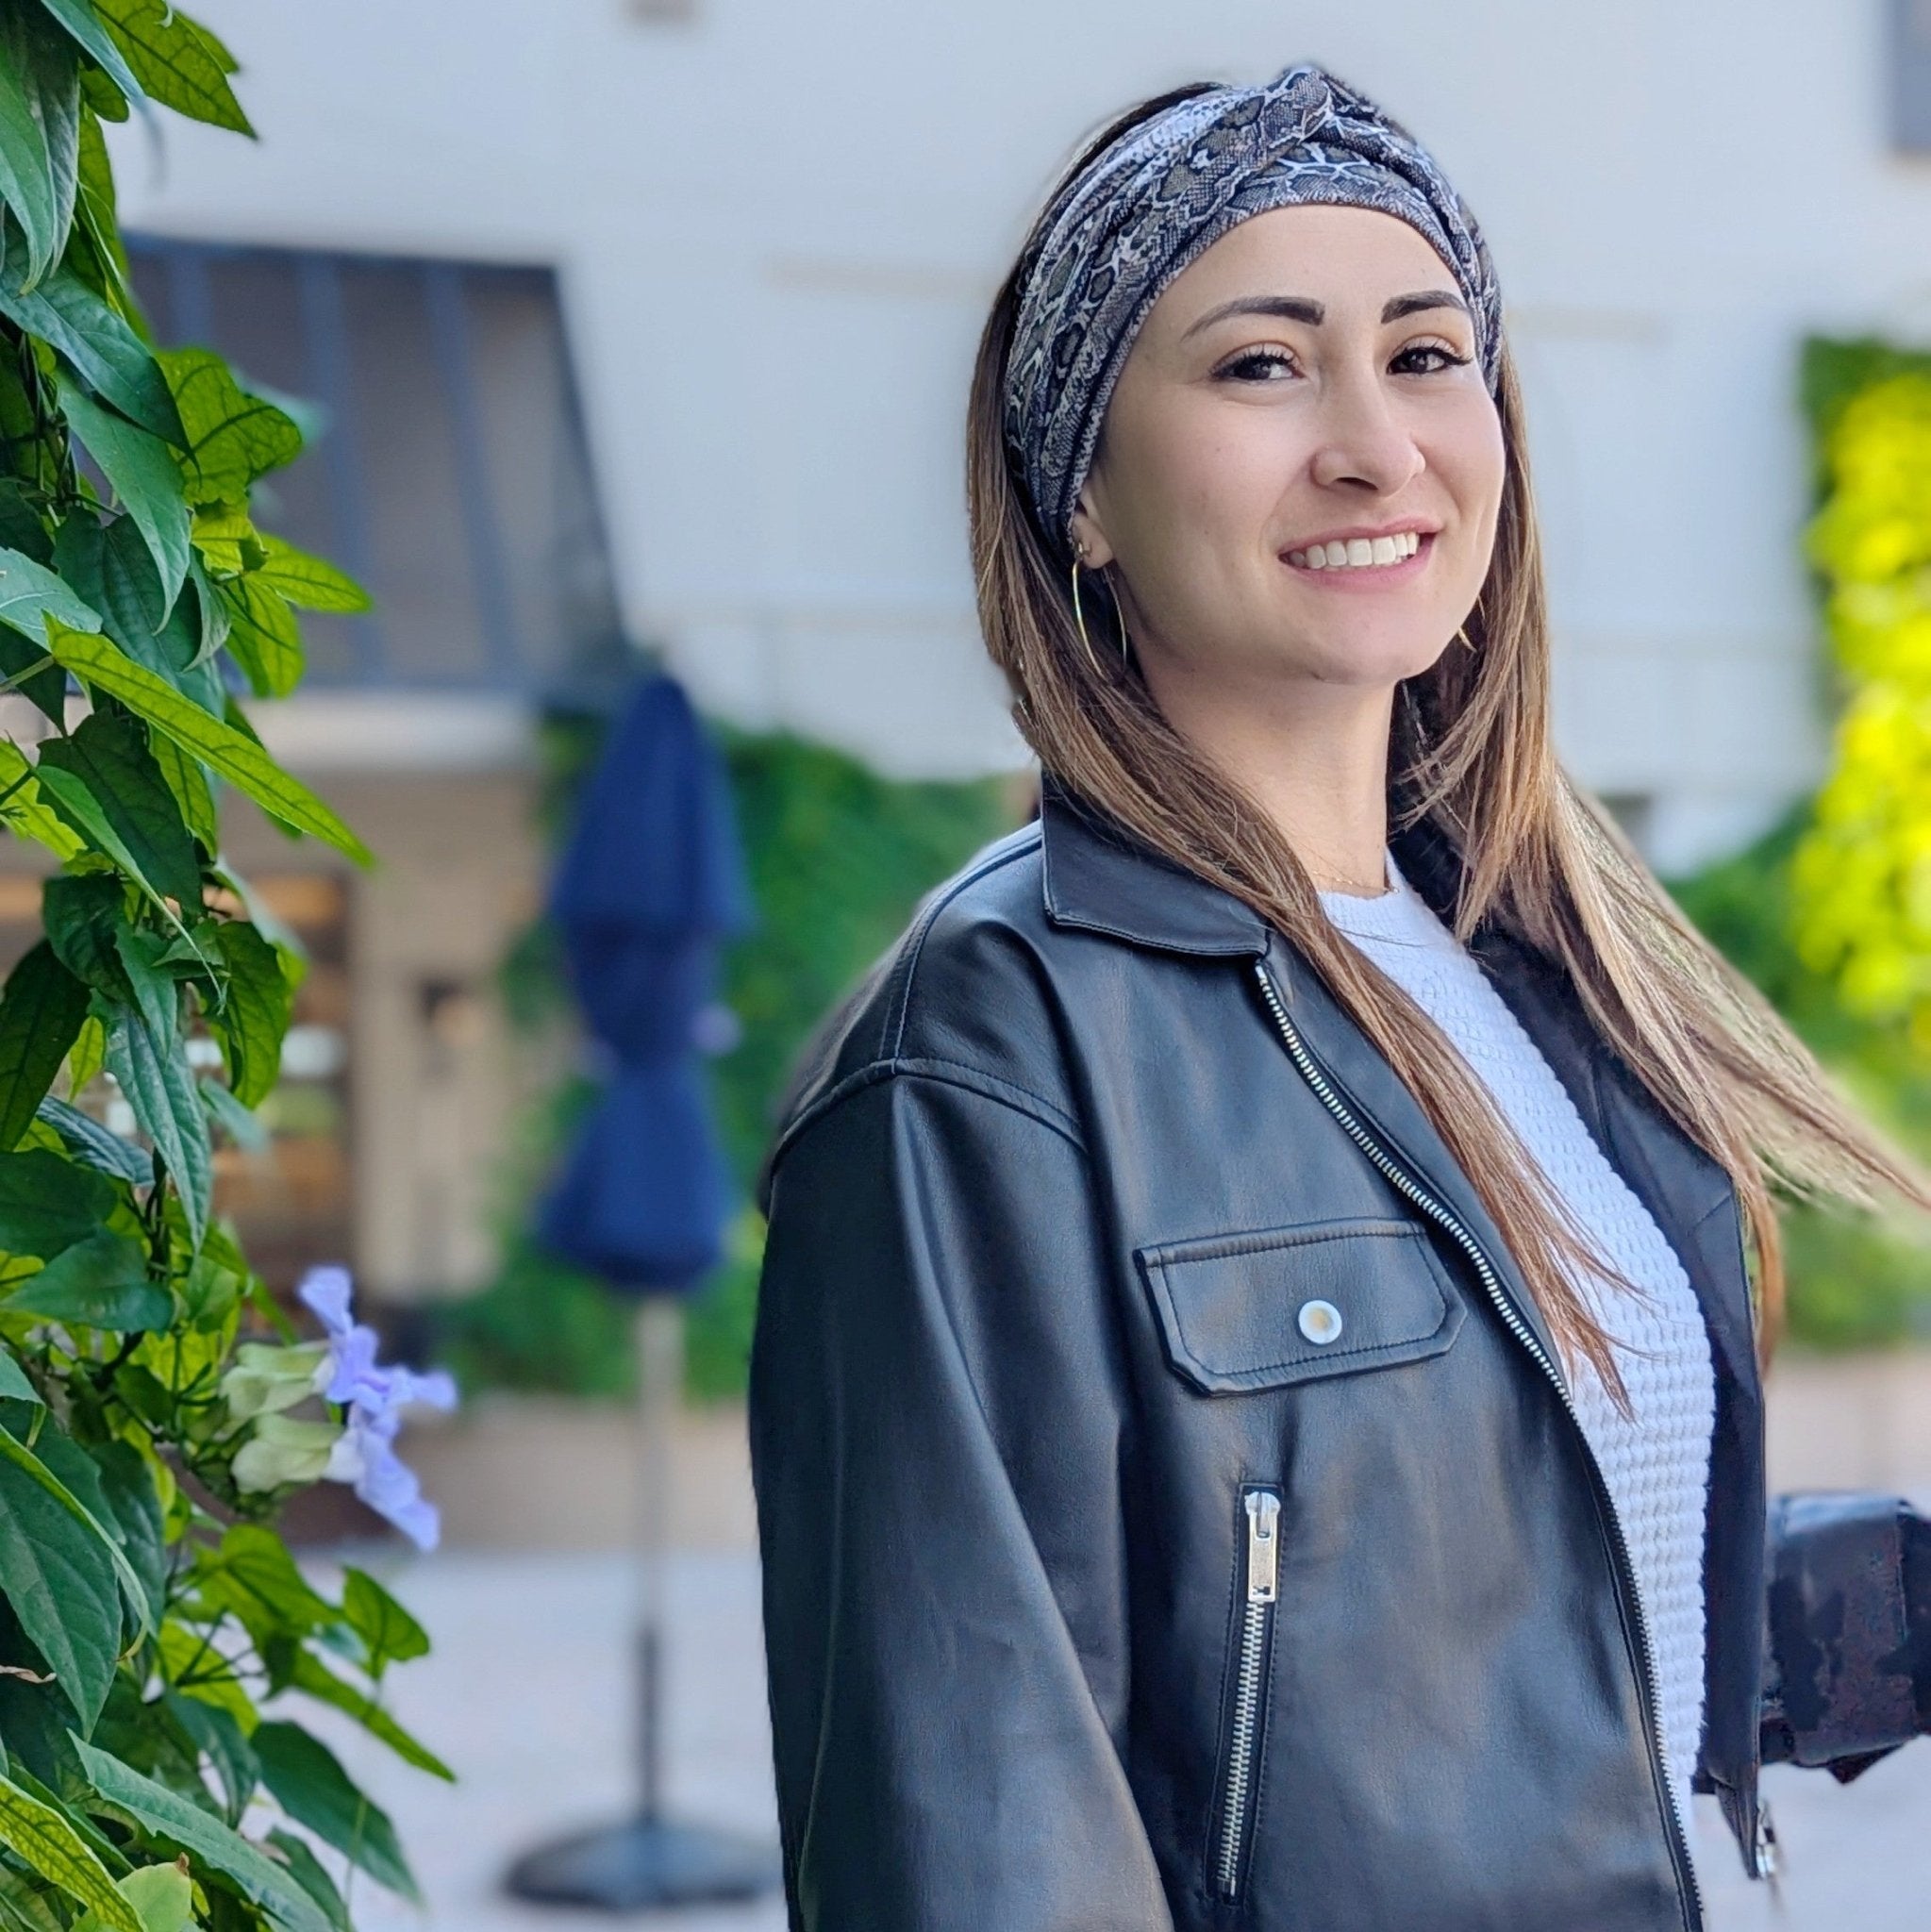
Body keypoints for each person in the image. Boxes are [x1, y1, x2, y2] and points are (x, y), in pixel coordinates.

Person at [746, 59, 1931, 1931]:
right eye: (1258, 364)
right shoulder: (988, 1051)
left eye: (1428, 352)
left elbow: (1518, 1640)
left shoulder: (1526, 966)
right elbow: (968, 1837)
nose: (1377, 446)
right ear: (1083, 496)